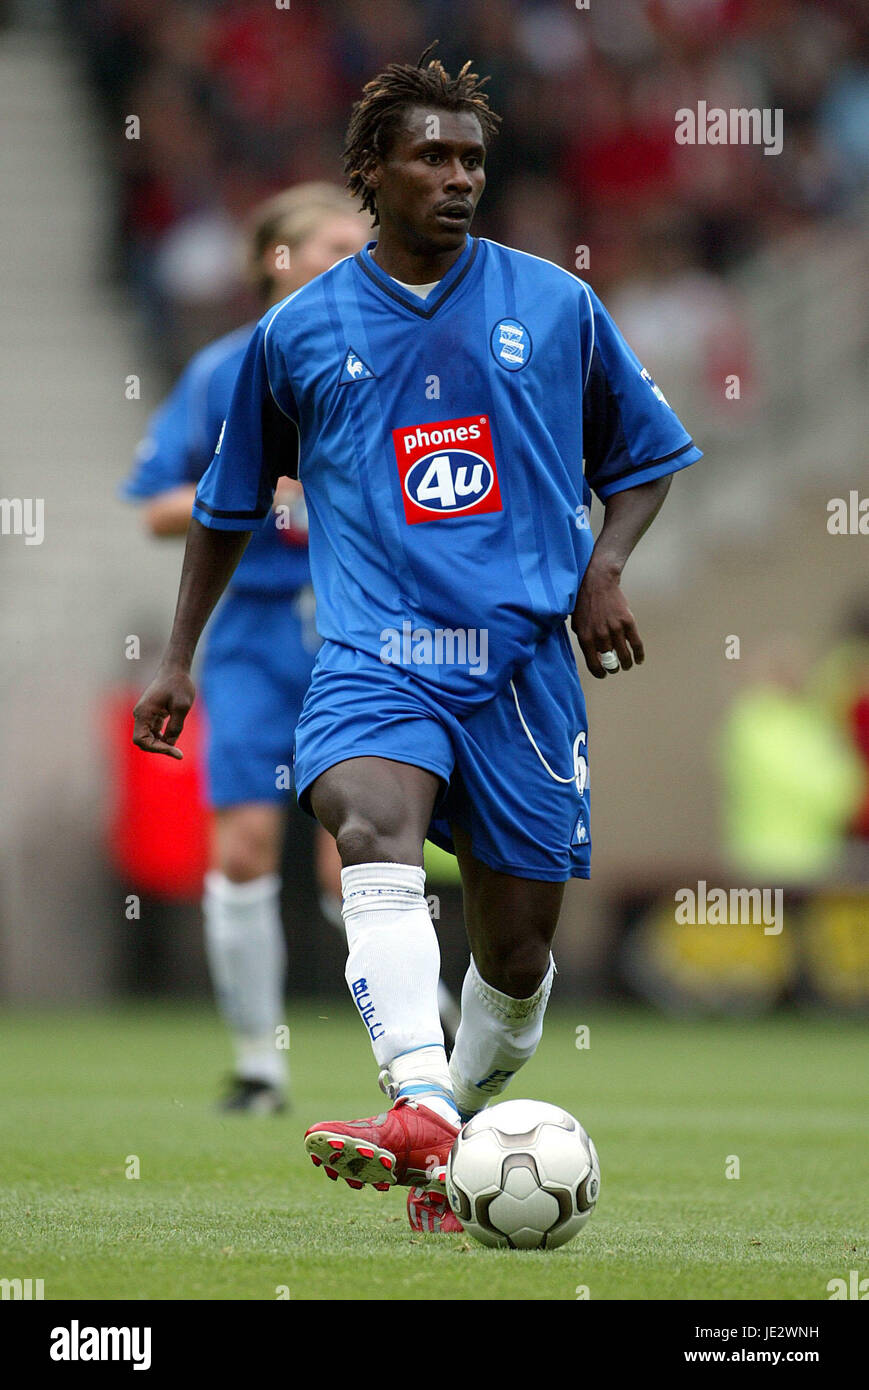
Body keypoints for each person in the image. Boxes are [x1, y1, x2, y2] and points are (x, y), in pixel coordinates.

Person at [132, 46, 702, 1229]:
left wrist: (603, 569)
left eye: (470, 159)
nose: (455, 176)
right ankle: (420, 1106)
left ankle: (452, 1123)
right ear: (371, 174)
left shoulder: (554, 304)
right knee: (368, 822)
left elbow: (644, 460)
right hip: (374, 653)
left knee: (518, 960)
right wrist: (178, 657)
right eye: (429, 156)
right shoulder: (295, 337)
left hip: (523, 671)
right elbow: (228, 509)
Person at [124, 185, 367, 1112]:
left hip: (365, 626)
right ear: (279, 257)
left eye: (362, 243)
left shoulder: (390, 357)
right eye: (332, 244)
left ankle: (418, 1043)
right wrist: (257, 488)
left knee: (360, 850)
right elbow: (156, 506)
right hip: (258, 633)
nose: (353, 257)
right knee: (244, 846)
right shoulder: (226, 369)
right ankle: (260, 1064)